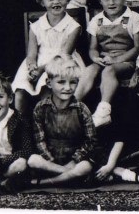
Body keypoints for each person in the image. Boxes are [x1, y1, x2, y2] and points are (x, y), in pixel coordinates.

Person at [75, 0, 139, 127]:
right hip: (105, 59)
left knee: (108, 71)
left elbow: (138, 47)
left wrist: (117, 60)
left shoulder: (133, 18)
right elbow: (92, 48)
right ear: (100, 0)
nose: (111, 3)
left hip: (126, 61)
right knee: (90, 70)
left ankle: (103, 110)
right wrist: (95, 58)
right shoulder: (96, 21)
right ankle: (71, 105)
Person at [11, 0, 84, 115]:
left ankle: (48, 124)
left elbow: (64, 54)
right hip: (39, 62)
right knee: (21, 88)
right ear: (42, 1)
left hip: (62, 63)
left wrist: (41, 70)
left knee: (47, 86)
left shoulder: (73, 27)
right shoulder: (36, 26)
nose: (56, 2)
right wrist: (32, 67)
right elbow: (31, 54)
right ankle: (20, 127)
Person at [27, 55, 96, 187]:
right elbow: (39, 140)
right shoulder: (41, 108)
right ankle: (67, 175)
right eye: (61, 82)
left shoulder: (82, 109)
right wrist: (50, 160)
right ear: (49, 83)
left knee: (85, 166)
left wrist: (74, 160)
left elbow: (90, 140)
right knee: (33, 160)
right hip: (50, 161)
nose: (68, 87)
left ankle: (45, 183)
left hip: (74, 159)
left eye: (73, 82)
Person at [0, 74, 33, 192]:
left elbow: (26, 151)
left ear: (10, 98)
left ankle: (1, 181)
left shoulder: (19, 120)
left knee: (21, 163)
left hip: (11, 165)